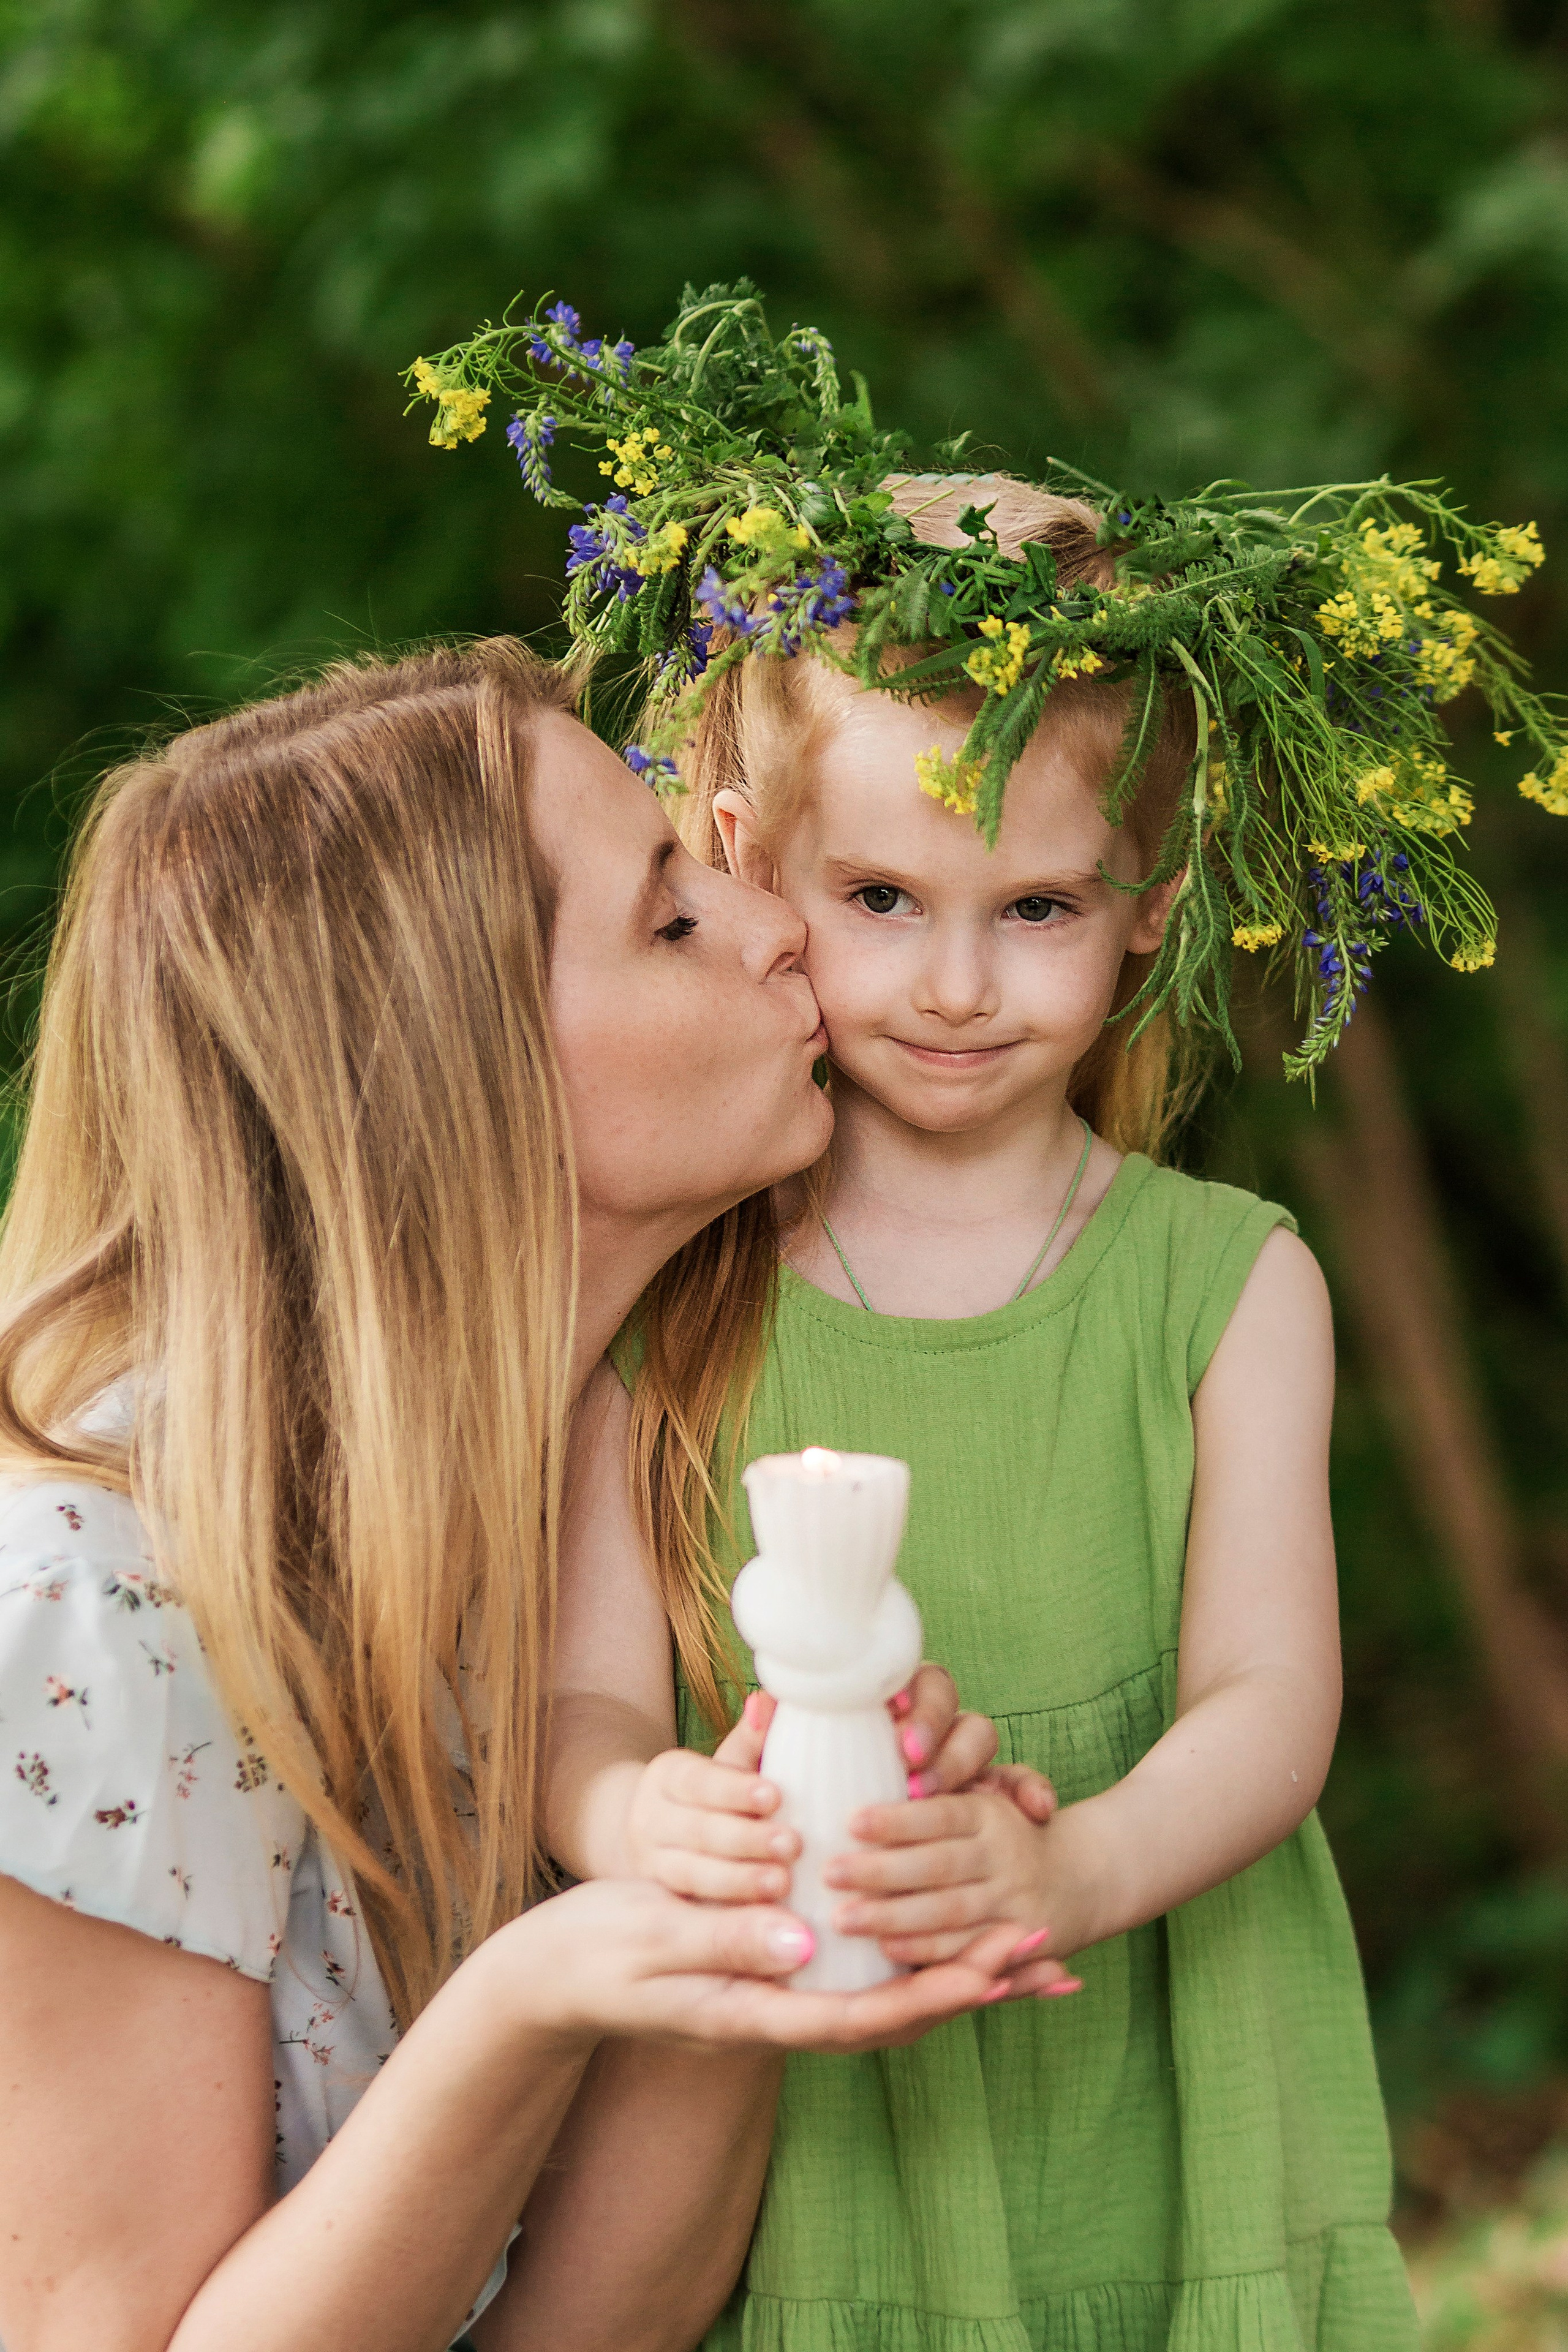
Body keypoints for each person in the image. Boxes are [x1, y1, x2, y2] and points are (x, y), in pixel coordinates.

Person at [0, 639, 1060, 2352]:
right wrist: (533, 1995)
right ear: (448, 1072)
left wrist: (751, 1915)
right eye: (668, 915)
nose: (777, 919)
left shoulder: (563, 1498)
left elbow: (581, 2330)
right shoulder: (92, 1599)